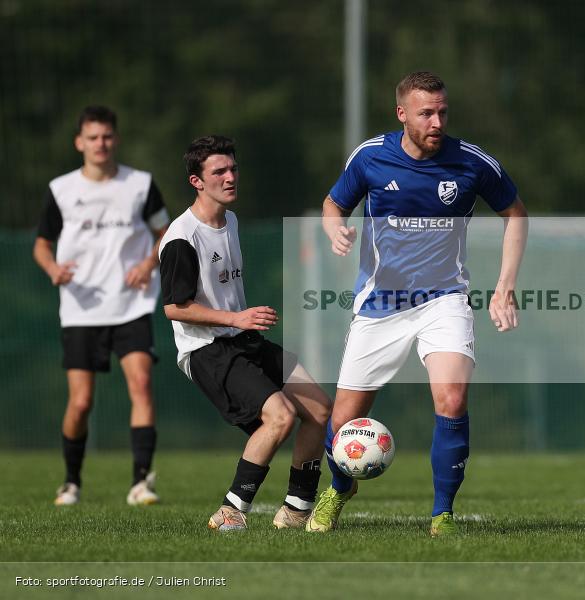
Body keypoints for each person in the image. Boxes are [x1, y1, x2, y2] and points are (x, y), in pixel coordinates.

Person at [310, 71, 528, 536]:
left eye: (442, 112)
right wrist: (335, 229)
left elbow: (516, 214)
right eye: (426, 112)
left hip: (444, 299)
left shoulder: (472, 163)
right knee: (345, 416)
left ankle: (442, 515)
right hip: (379, 303)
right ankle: (338, 489)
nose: (436, 121)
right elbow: (333, 204)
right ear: (402, 113)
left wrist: (505, 285)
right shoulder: (371, 157)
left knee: (452, 397)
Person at [159, 135, 331, 531]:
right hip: (207, 349)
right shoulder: (183, 237)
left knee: (320, 409)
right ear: (196, 181)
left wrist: (241, 323)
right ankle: (230, 511)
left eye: (233, 168)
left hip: (242, 339)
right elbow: (174, 307)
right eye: (218, 171)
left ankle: (296, 510)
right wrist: (236, 319)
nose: (230, 177)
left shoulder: (230, 220)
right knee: (280, 417)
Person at [34, 106, 169, 507]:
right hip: (81, 308)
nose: (100, 144)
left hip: (131, 304)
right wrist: (52, 268)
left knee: (141, 385)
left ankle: (141, 482)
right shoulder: (61, 189)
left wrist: (148, 264)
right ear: (79, 142)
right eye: (92, 137)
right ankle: (71, 482)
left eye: (107, 136)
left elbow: (167, 233)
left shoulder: (140, 185)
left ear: (116, 139)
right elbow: (42, 244)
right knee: (80, 402)